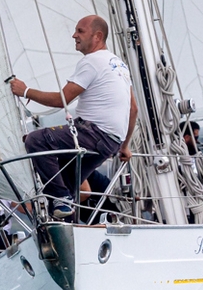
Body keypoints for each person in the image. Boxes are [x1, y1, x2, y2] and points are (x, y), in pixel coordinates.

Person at [9, 15, 138, 219]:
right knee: (66, 189)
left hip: (93, 134)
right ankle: (67, 226)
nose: (74, 35)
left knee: (36, 141)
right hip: (110, 142)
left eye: (80, 31)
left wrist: (25, 91)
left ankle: (61, 199)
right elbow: (133, 109)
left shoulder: (92, 61)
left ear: (97, 36)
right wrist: (124, 146)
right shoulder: (119, 65)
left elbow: (62, 99)